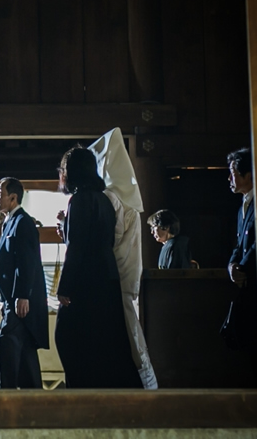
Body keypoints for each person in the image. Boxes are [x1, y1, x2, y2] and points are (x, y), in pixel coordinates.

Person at [53, 145, 141, 389]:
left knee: (70, 339)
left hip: (86, 281)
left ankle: (81, 397)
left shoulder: (79, 199)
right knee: (105, 345)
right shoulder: (103, 199)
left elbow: (78, 246)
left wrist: (65, 286)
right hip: (107, 278)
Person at [88, 128, 159, 389]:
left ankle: (141, 386)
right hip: (128, 273)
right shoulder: (126, 197)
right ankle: (146, 384)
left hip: (113, 276)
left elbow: (109, 239)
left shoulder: (110, 198)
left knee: (121, 337)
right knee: (131, 334)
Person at [0, 177, 47, 388]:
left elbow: (27, 260)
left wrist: (23, 295)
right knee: (24, 353)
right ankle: (31, 400)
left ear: (13, 198)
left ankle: (7, 397)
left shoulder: (23, 222)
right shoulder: (10, 222)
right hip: (11, 301)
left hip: (20, 300)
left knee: (7, 345)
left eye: (0, 194)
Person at [220, 147, 257, 375]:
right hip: (245, 282)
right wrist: (232, 265)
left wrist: (242, 267)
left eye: (233, 172)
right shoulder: (242, 207)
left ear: (249, 175)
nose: (229, 178)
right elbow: (238, 245)